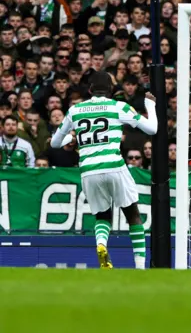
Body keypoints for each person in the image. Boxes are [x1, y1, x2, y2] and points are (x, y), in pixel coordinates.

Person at [50, 71, 158, 269]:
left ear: (90, 90)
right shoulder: (118, 106)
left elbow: (55, 143)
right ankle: (140, 267)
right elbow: (152, 129)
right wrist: (150, 105)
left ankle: (101, 244)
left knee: (102, 215)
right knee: (132, 213)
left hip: (88, 169)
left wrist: (69, 139)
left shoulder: (76, 110)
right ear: (111, 90)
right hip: (114, 165)